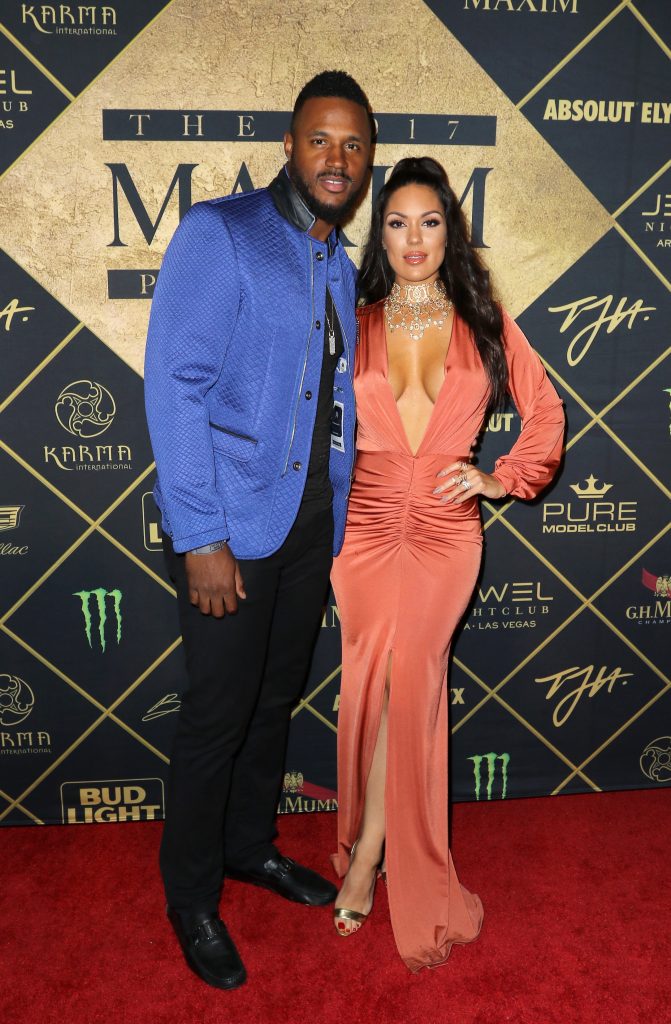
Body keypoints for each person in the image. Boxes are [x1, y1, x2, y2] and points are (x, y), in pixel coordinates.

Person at [144, 70, 374, 990]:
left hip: (310, 523)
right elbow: (175, 386)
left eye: (353, 145)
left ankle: (250, 848)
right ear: (288, 143)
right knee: (214, 717)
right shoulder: (222, 233)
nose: (337, 158)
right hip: (230, 529)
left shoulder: (339, 261)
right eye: (321, 139)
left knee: (274, 701)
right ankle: (190, 896)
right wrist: (200, 535)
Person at [330, 156, 565, 971]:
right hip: (361, 527)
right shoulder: (351, 317)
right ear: (379, 233)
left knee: (412, 680)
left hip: (443, 531)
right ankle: (366, 838)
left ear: (450, 231)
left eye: (429, 221)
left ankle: (372, 861)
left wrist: (503, 479)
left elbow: (544, 408)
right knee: (365, 680)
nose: (413, 239)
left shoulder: (483, 315)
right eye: (396, 222)